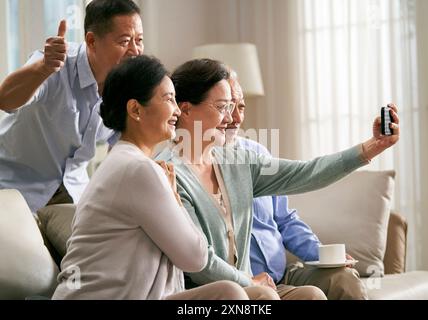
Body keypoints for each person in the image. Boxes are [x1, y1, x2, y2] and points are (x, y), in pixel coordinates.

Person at [52, 55, 252, 300]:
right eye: (169, 99)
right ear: (135, 109)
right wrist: (176, 199)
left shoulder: (129, 162)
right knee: (231, 294)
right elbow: (195, 258)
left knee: (235, 293)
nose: (178, 110)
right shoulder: (137, 169)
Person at [157, 58, 351, 300]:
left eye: (234, 107)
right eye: (222, 108)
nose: (230, 119)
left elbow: (306, 173)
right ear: (185, 110)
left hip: (254, 285)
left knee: (312, 296)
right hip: (207, 292)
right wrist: (248, 281)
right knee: (265, 298)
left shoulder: (238, 161)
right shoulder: (168, 171)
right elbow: (199, 261)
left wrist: (369, 149)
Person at [225, 73, 394, 299]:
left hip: (282, 275)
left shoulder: (257, 153)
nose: (236, 117)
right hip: (244, 284)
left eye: (241, 107)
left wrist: (324, 255)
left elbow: (285, 219)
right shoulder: (194, 165)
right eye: (226, 107)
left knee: (343, 279)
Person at [0, 0, 144, 213]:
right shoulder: (54, 63)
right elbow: (5, 99)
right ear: (92, 41)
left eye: (139, 40)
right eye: (124, 41)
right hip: (14, 188)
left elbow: (125, 149)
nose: (135, 51)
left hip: (74, 194)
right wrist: (43, 68)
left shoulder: (128, 88)